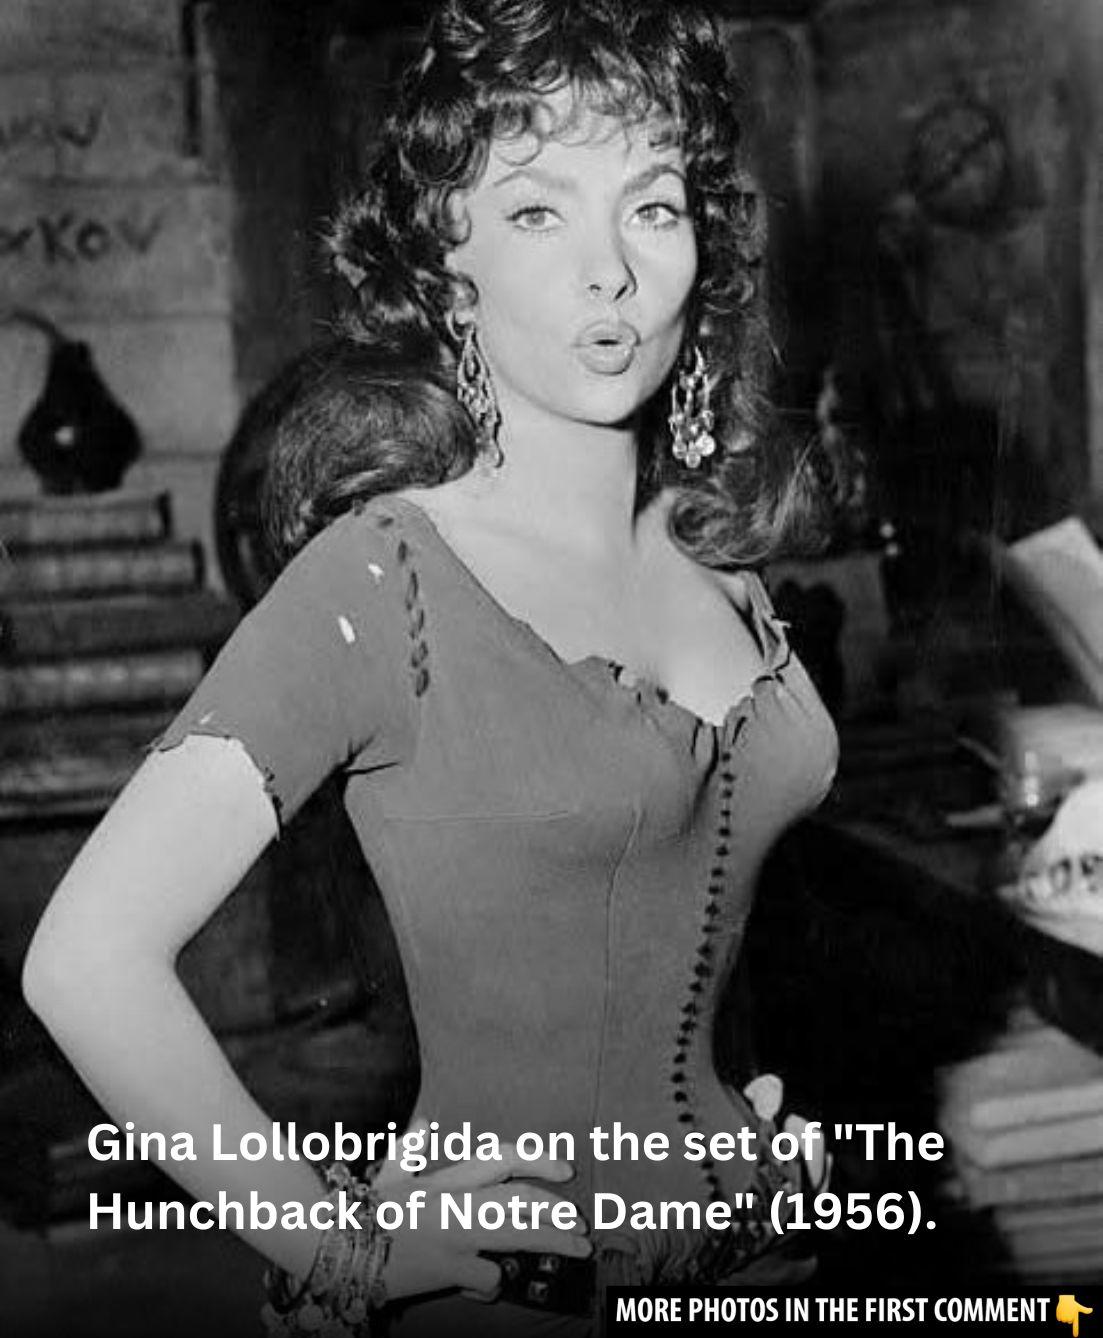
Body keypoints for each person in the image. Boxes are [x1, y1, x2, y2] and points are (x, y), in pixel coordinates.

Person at [22, 0, 839, 1333]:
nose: (609, 271)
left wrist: (740, 1139)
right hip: (523, 1298)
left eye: (650, 205)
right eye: (537, 211)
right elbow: (86, 958)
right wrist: (339, 1252)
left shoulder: (719, 563)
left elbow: (667, 897)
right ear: (448, 267)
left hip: (763, 1270)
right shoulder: (384, 581)